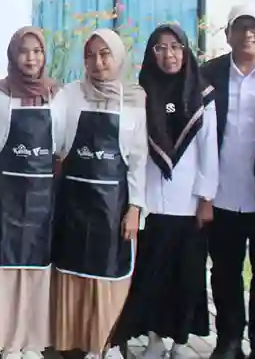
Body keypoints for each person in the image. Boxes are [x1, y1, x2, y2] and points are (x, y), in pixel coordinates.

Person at [111, 24, 217, 358]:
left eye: (175, 47)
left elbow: (208, 150)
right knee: (153, 275)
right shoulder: (141, 93)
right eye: (160, 48)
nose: (169, 55)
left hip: (189, 202)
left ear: (186, 51)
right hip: (152, 201)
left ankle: (181, 342)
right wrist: (134, 202)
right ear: (151, 53)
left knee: (185, 276)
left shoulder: (202, 93)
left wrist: (206, 199)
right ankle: (154, 339)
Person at [52, 29, 147, 359]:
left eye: (105, 54)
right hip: (74, 201)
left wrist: (135, 208)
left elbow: (139, 160)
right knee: (73, 273)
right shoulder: (69, 94)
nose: (98, 62)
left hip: (113, 205)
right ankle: (76, 342)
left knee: (109, 275)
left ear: (118, 57)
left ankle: (105, 343)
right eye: (90, 55)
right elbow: (55, 139)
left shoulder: (134, 100)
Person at [0, 26, 61, 359]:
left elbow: (62, 148)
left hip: (44, 197)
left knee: (37, 268)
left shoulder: (58, 94)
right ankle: (8, 342)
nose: (31, 58)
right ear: (13, 55)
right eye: (24, 51)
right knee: (6, 267)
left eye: (37, 51)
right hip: (7, 195)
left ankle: (33, 342)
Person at [200, 4, 255, 359]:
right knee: (225, 272)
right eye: (240, 27)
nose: (248, 34)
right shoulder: (209, 74)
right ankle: (228, 340)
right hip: (222, 195)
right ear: (228, 34)